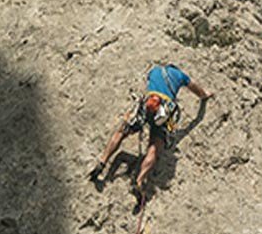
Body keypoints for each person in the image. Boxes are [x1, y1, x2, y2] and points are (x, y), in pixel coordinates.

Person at [88, 64, 213, 202]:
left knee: (121, 131)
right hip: (164, 110)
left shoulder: (154, 71)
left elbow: (148, 84)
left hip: (147, 103)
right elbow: (197, 89)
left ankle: (102, 161)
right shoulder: (180, 75)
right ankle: (139, 180)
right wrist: (205, 95)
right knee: (154, 148)